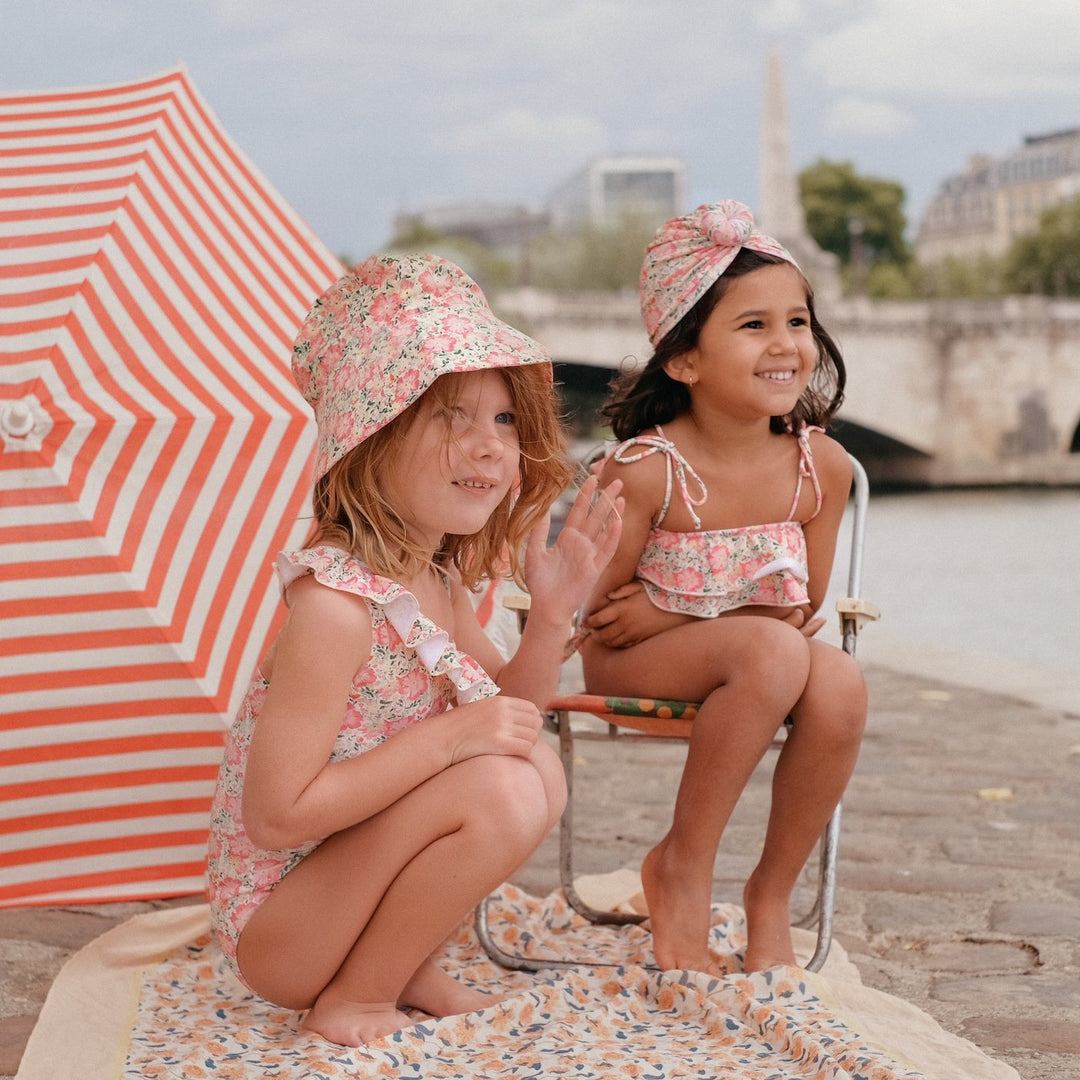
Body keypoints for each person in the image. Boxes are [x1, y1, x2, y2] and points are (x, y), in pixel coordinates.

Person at [206, 254, 623, 1047]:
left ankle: (395, 966)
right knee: (500, 785)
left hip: (343, 899)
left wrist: (550, 617)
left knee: (533, 765)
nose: (490, 447)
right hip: (283, 927)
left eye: (504, 421)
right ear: (371, 436)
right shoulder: (335, 609)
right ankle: (356, 996)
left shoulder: (434, 583)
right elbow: (276, 816)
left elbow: (514, 715)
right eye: (450, 416)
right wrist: (448, 739)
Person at [580, 201, 867, 976]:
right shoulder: (647, 470)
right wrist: (691, 617)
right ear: (684, 360)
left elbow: (798, 605)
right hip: (635, 667)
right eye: (753, 327)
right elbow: (596, 618)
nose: (785, 345)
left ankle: (769, 895)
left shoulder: (822, 469)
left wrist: (674, 601)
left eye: (798, 322)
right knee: (774, 654)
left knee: (838, 680)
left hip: (749, 658)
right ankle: (682, 868)